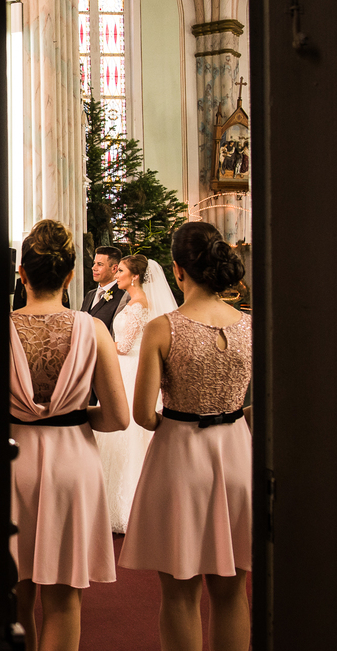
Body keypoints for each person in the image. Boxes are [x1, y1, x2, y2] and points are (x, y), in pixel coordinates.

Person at [119, 223, 252, 650]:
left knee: (180, 593)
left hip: (180, 458)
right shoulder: (249, 326)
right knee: (232, 592)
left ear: (178, 270)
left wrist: (175, 423)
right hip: (236, 454)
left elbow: (142, 414)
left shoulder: (163, 328)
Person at [10, 220, 130, 651]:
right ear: (69, 276)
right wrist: (76, 416)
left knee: (12, 600)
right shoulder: (92, 329)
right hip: (72, 467)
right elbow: (118, 417)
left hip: (11, 465)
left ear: (22, 274)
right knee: (63, 604)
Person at [93, 254, 177, 533]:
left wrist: (96, 343)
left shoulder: (139, 304)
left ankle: (128, 505)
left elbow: (124, 345)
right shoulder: (132, 301)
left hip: (129, 371)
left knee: (126, 439)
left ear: (136, 276)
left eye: (122, 271)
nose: (117, 275)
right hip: (126, 369)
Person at [80, 246, 128, 337]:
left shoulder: (123, 298)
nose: (94, 268)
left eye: (100, 264)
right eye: (94, 263)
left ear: (114, 268)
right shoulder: (90, 295)